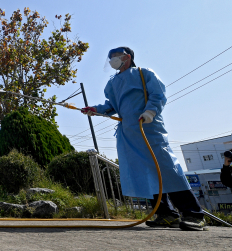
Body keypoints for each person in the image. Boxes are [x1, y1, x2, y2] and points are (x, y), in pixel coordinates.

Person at [81, 46, 206, 231]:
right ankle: (166, 214)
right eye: (110, 58)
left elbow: (158, 94)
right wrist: (95, 109)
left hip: (148, 127)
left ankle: (194, 214)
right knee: (145, 172)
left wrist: (150, 111)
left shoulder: (143, 73)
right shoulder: (112, 83)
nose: (112, 61)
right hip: (129, 132)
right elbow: (111, 105)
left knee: (166, 168)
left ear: (127, 57)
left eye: (115, 57)